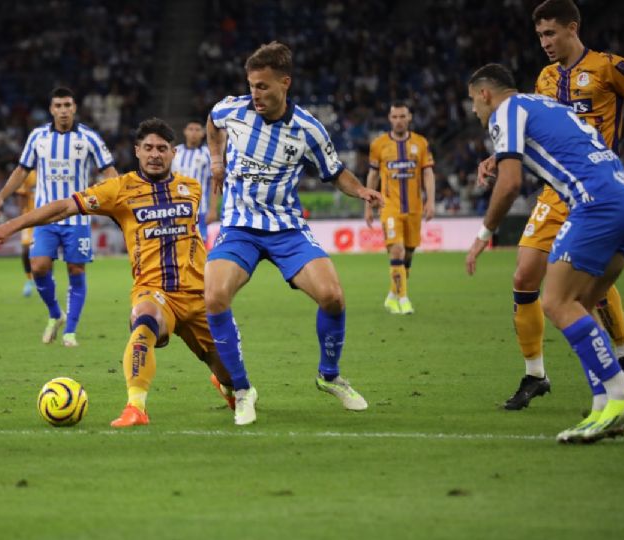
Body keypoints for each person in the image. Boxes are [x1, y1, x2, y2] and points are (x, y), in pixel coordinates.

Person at [0, 118, 235, 427]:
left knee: (229, 373)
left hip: (199, 296)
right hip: (154, 291)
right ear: (137, 151)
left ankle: (225, 384)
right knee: (144, 323)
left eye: (162, 149)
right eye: (149, 148)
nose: (155, 154)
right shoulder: (119, 190)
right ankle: (136, 407)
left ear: (174, 152)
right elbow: (63, 207)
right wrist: (9, 226)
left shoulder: (190, 189)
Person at [476, 0, 624, 410]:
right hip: (556, 192)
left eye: (551, 33)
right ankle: (535, 374)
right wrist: (500, 154)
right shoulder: (545, 78)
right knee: (524, 277)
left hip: (598, 187)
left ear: (573, 28)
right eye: (539, 36)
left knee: (581, 289)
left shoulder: (611, 68)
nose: (544, 43)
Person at [204, 41, 384, 425]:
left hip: (286, 228)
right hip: (238, 227)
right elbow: (212, 121)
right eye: (252, 85)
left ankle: (329, 376)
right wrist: (216, 162)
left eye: (264, 86)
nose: (256, 94)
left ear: (285, 83)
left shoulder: (308, 130)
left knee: (333, 296)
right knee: (215, 296)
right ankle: (241, 389)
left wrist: (362, 190)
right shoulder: (232, 109)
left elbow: (335, 172)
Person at [0, 87, 118, 347]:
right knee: (38, 267)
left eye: (67, 105)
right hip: (45, 218)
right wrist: (1, 196)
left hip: (78, 217)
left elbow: (109, 172)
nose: (63, 110)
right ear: (51, 109)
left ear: (74, 108)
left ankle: (70, 331)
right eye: (58, 105)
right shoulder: (37, 137)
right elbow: (22, 170)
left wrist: (119, 201)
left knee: (75, 269)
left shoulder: (89, 137)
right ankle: (55, 313)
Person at [364, 102, 436, 315]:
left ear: (409, 117)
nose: (398, 120)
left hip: (414, 207)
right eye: (394, 117)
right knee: (397, 249)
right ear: (389, 118)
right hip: (389, 207)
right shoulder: (379, 144)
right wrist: (368, 206)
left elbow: (428, 173)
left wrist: (430, 201)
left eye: (402, 116)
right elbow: (373, 175)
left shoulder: (421, 143)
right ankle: (403, 299)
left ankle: (393, 294)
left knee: (408, 255)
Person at [171, 121, 218, 242]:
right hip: (176, 207)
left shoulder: (208, 153)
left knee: (198, 244)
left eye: (197, 130)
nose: (194, 133)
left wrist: (212, 209)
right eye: (191, 129)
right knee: (178, 243)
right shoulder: (175, 152)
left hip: (200, 209)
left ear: (203, 133)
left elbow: (214, 181)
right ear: (185, 131)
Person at [14, 170, 38, 297]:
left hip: (47, 218)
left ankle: (46, 281)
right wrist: (20, 220)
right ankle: (29, 280)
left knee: (47, 253)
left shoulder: (52, 173)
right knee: (25, 250)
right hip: (30, 218)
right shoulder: (30, 175)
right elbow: (22, 195)